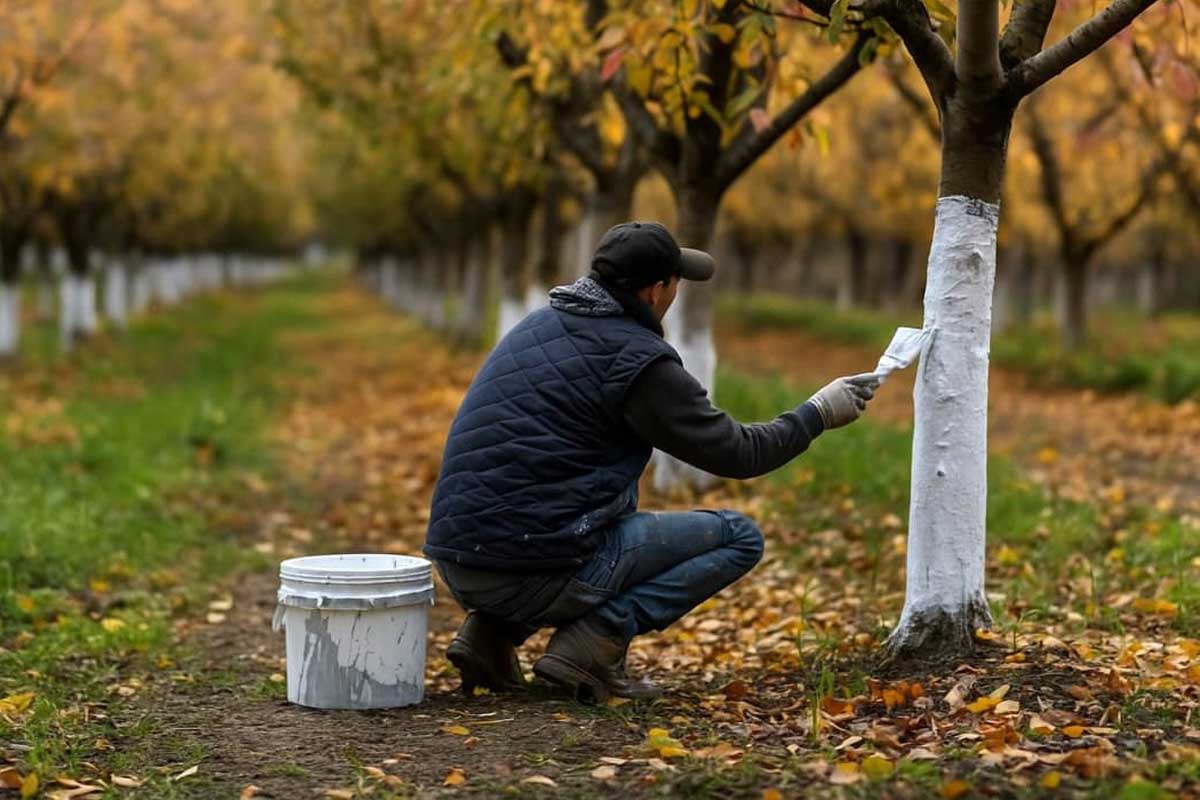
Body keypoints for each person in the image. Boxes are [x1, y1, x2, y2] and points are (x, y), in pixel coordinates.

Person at [424, 221, 878, 702]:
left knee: (550, 515)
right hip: (529, 571)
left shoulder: (539, 324)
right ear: (656, 290)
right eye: (676, 281)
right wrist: (817, 413)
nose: (677, 291)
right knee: (739, 537)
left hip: (458, 561)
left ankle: (489, 638)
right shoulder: (637, 361)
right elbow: (738, 452)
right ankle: (591, 644)